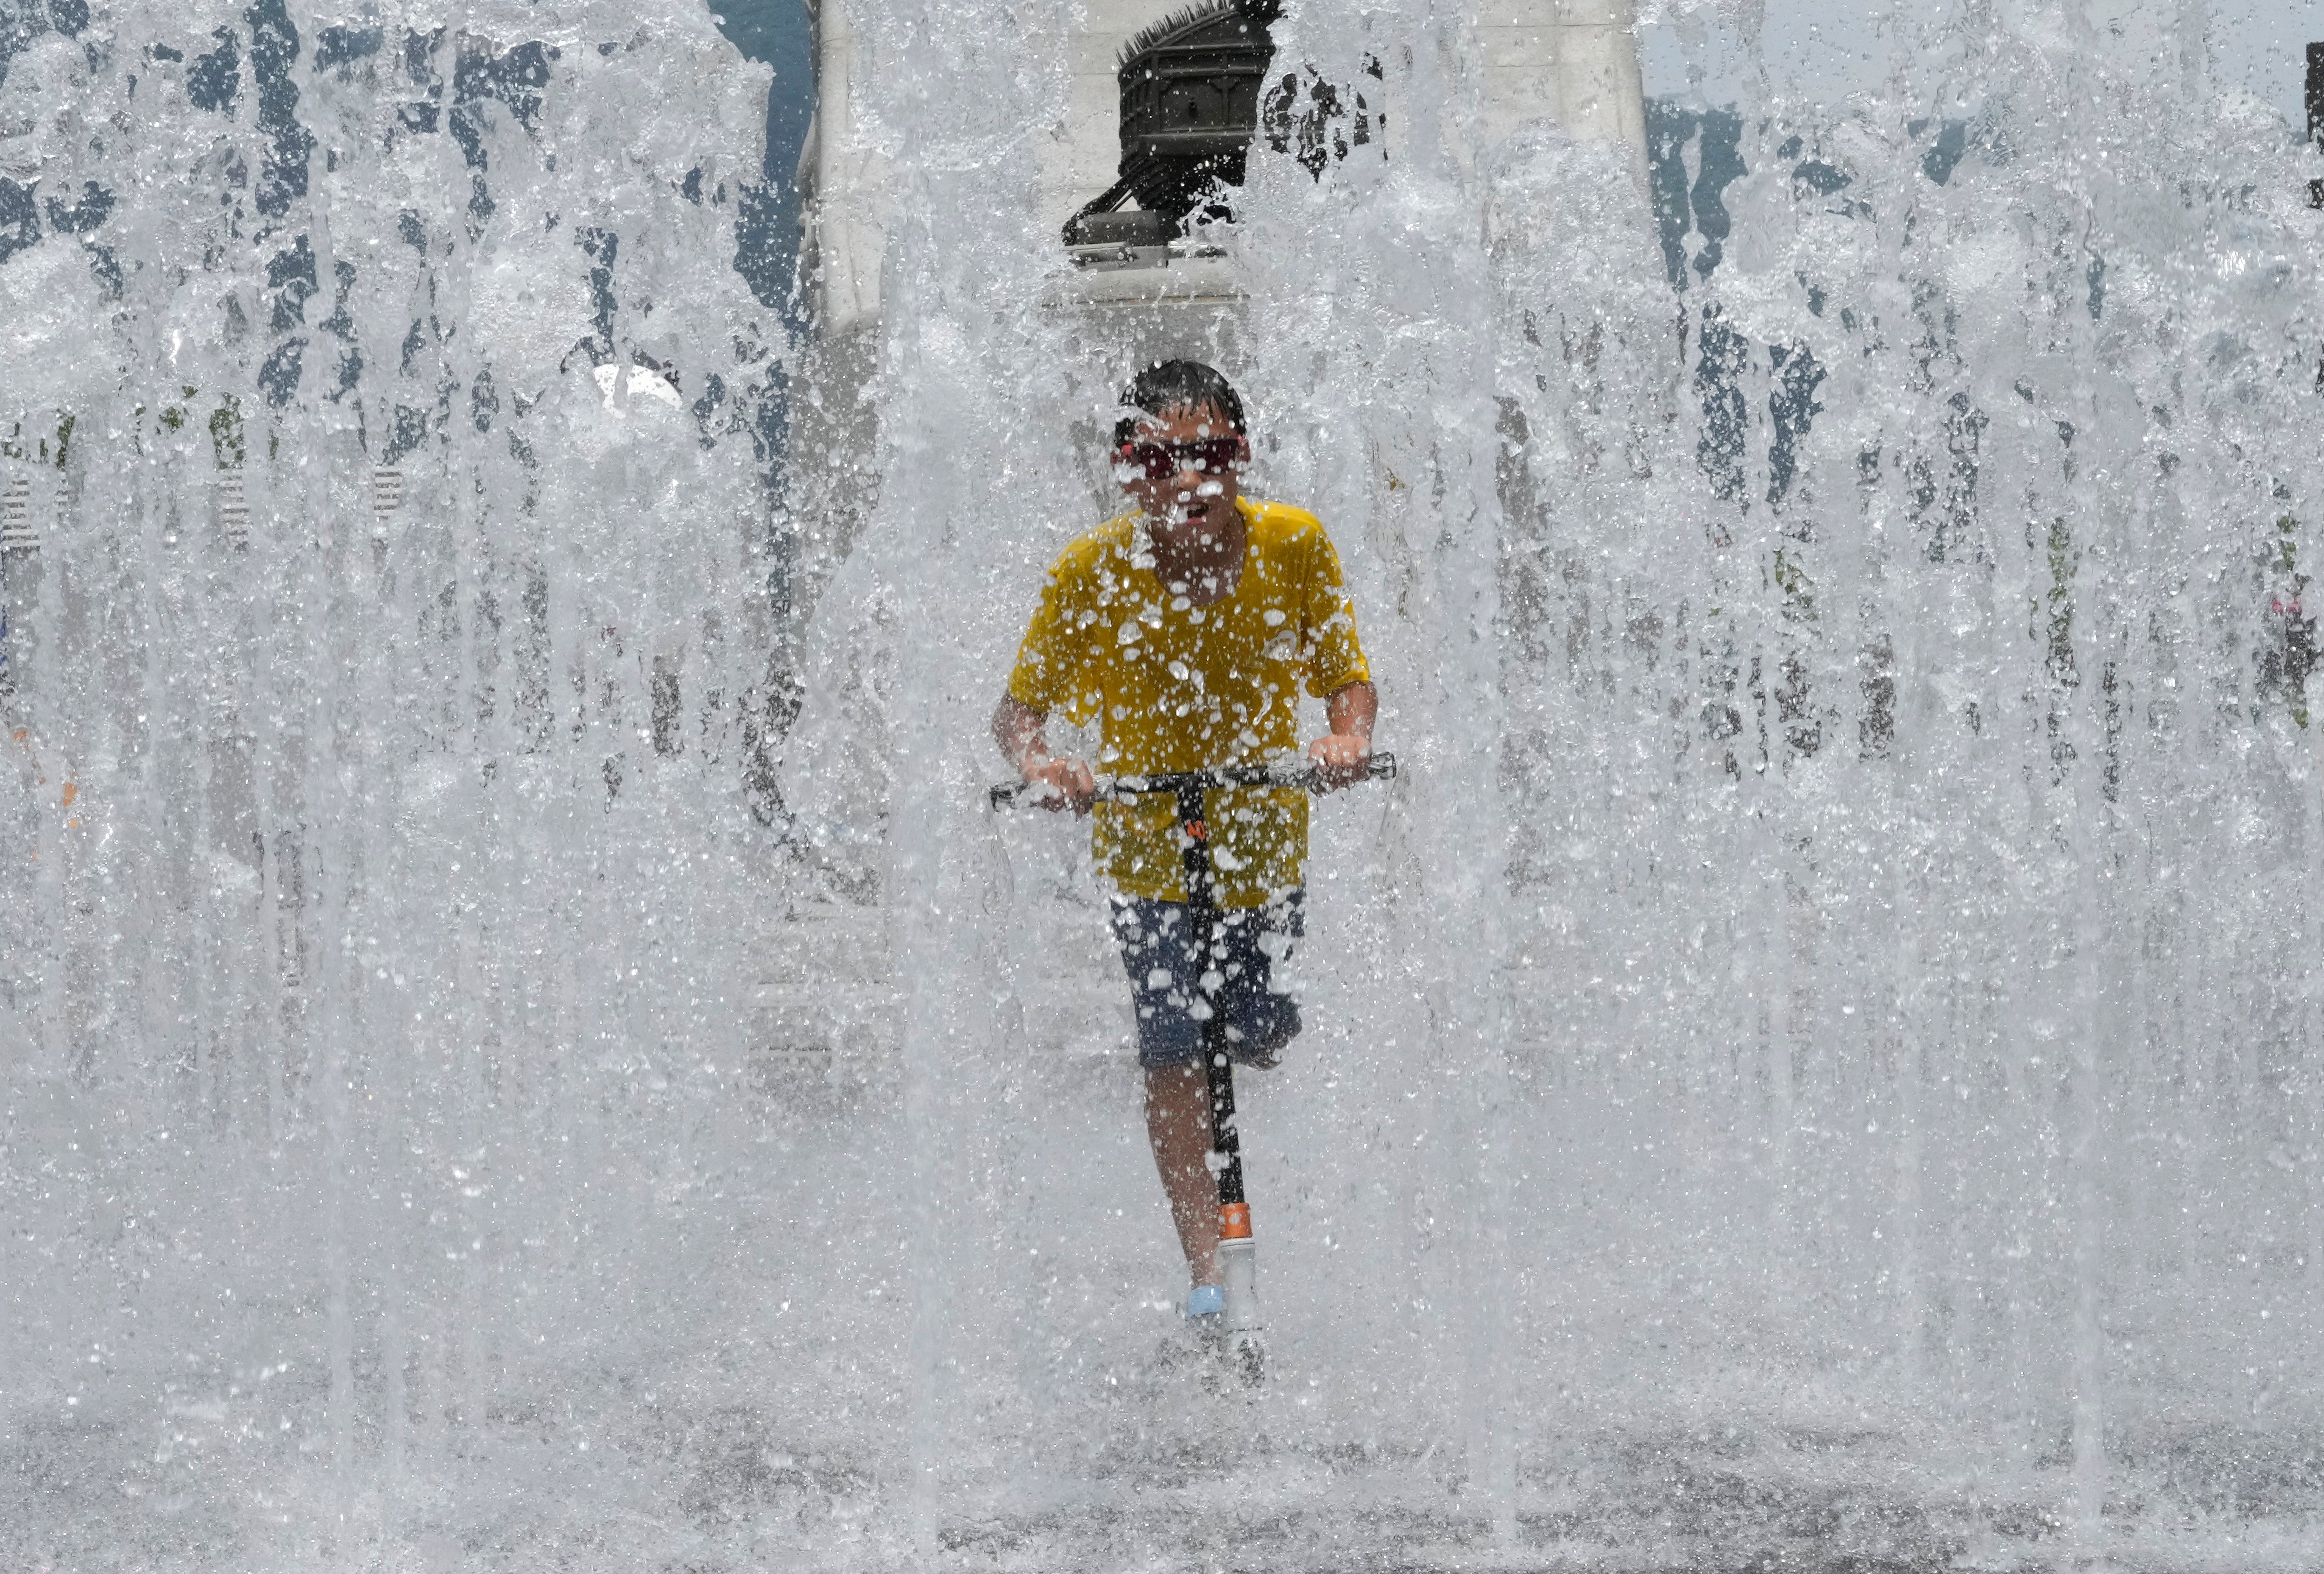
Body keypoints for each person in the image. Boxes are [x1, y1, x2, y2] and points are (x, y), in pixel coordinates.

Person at [991, 360, 1377, 1320]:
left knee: (1258, 1031)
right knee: (1170, 1053)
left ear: (1239, 457)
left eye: (1207, 455)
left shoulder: (1294, 546)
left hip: (1263, 841)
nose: (1186, 481)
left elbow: (1344, 673)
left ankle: (1243, 1043)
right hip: (1144, 849)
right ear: (1127, 472)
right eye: (1159, 463)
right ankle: (1209, 1270)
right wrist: (1048, 767)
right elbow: (1018, 714)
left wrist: (1345, 737)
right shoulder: (1090, 569)